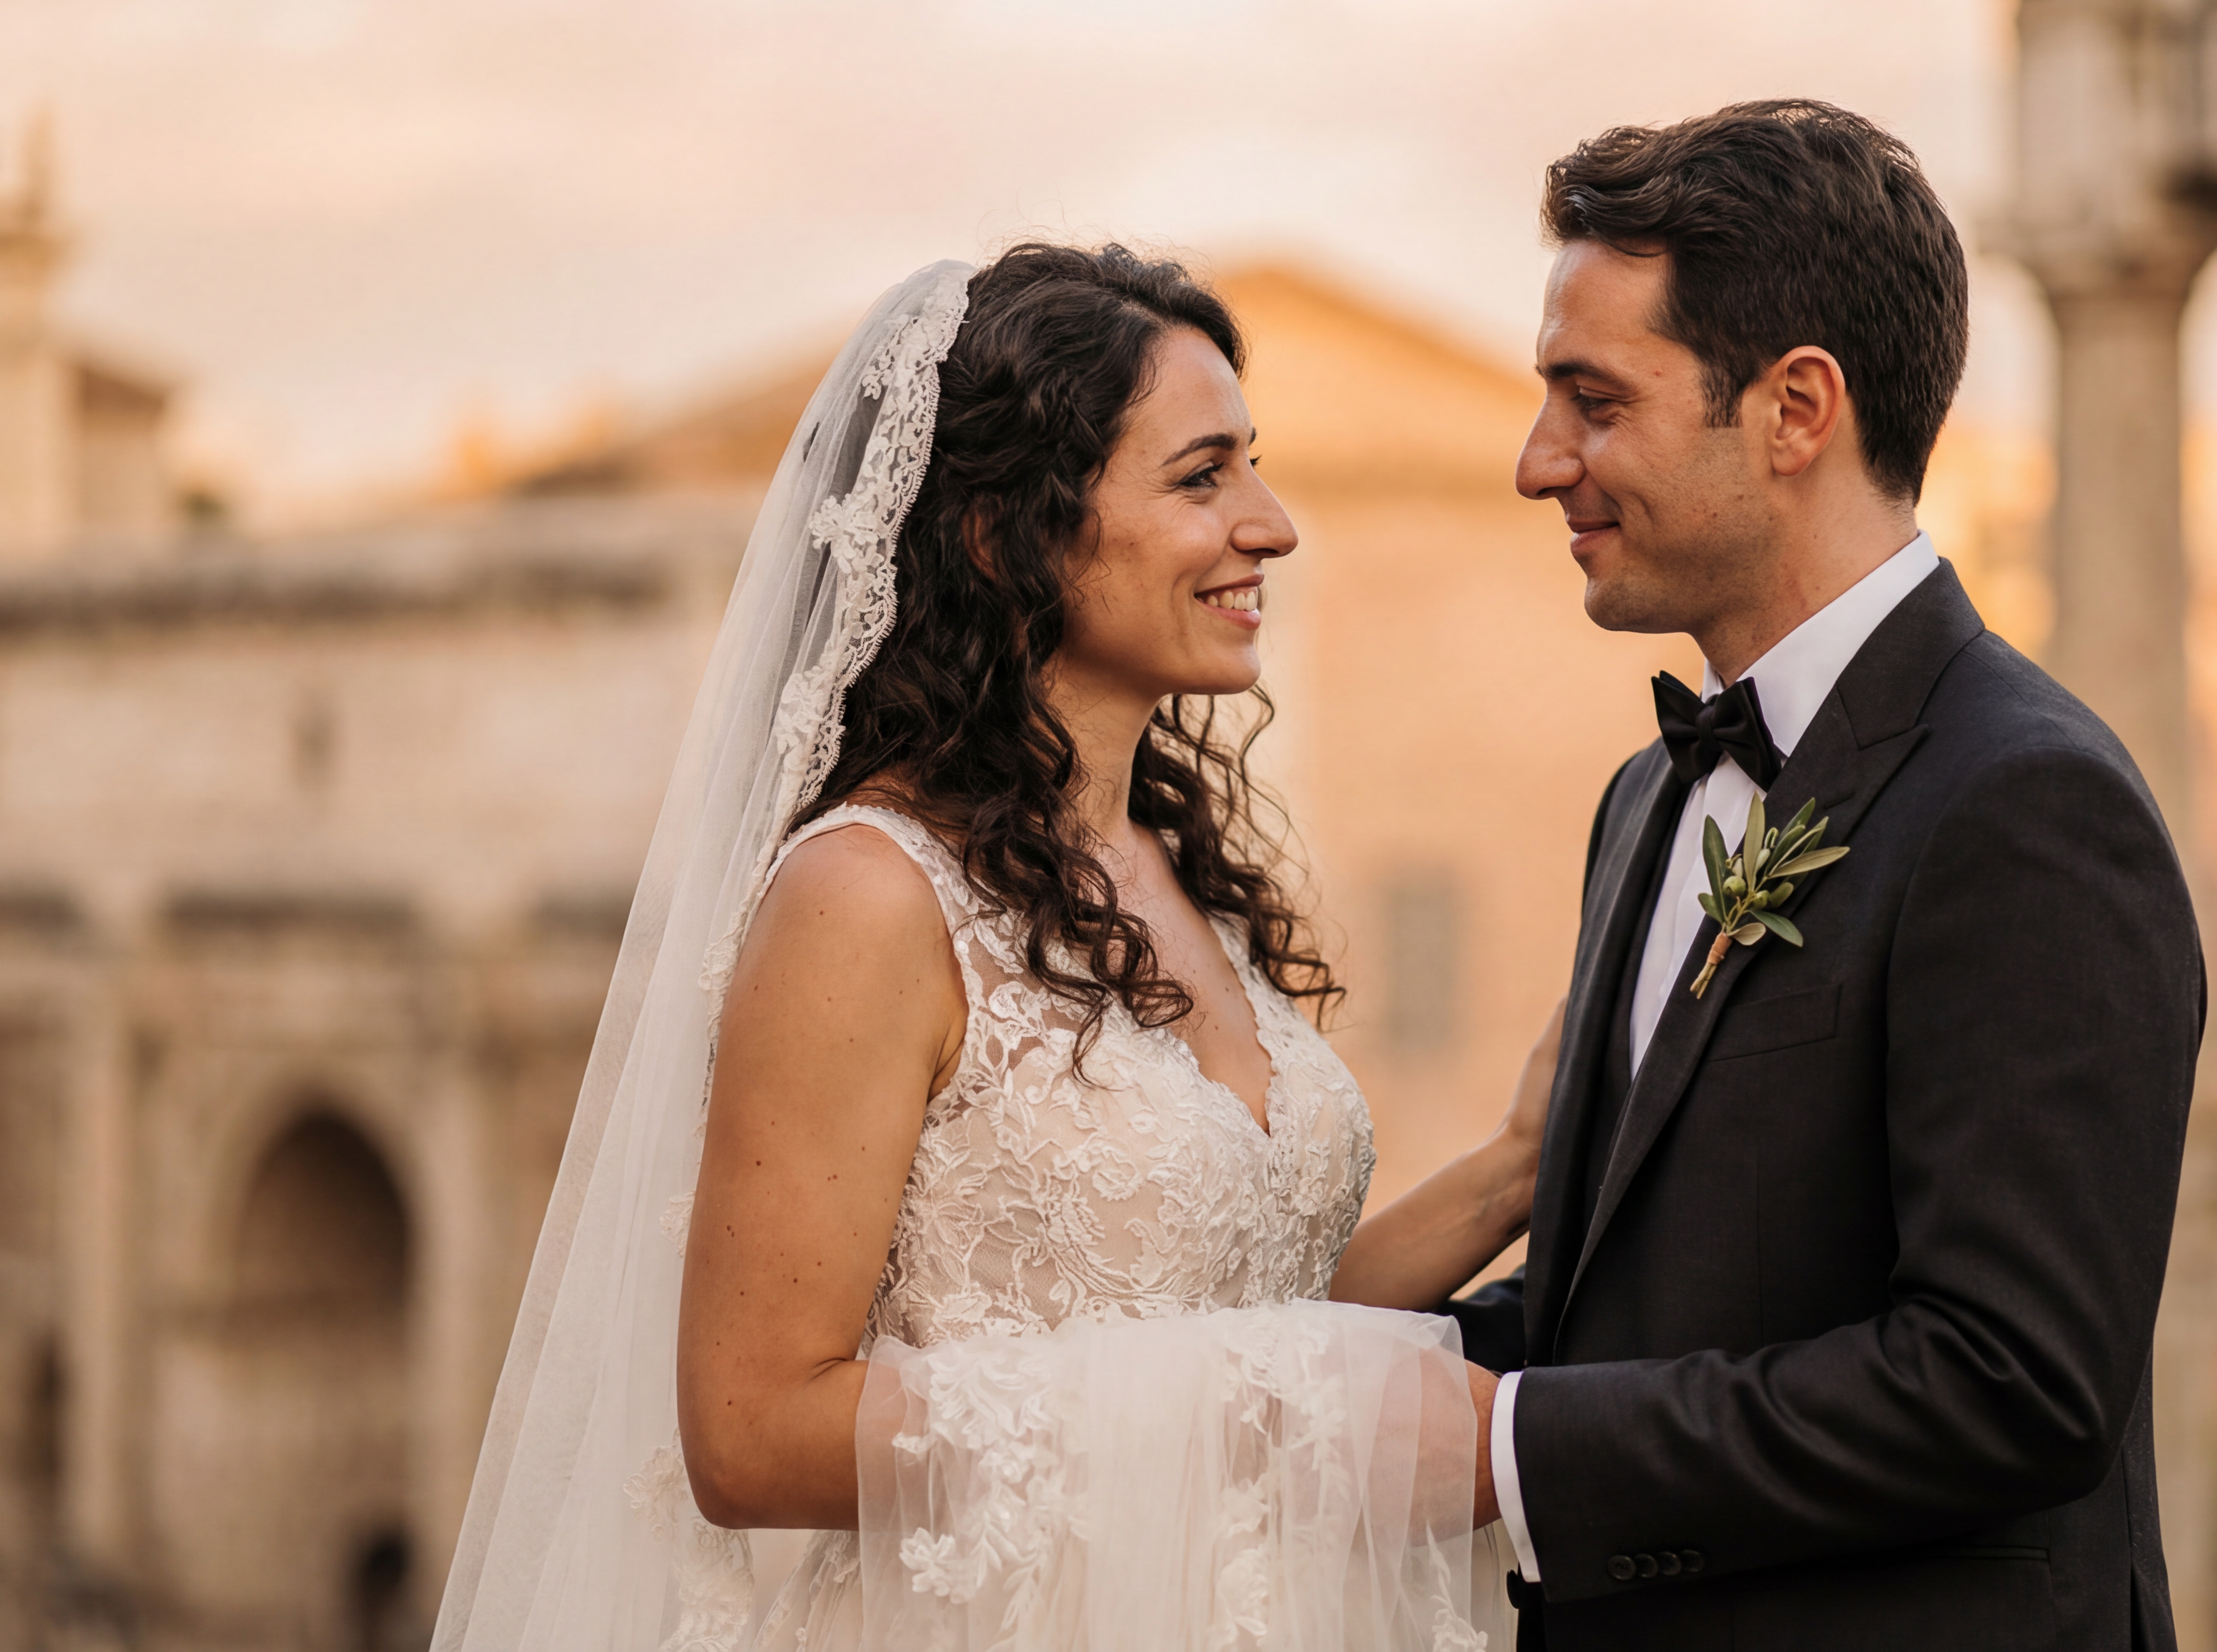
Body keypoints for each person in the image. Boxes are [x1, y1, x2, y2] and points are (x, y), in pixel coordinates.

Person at [430, 242, 1552, 1652]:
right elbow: (749, 1433)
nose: (1271, 526)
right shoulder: (867, 897)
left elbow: (1242, 1321)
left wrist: (1514, 1167)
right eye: (1202, 478)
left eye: (1253, 470)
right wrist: (1249, 1409)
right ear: (1001, 535)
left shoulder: (1177, 875)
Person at [1446, 100, 2204, 1652]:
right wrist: (1340, 1398)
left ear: (1796, 409)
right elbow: (1650, 1304)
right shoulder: (1647, 800)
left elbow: (2011, 1382)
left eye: (1594, 401)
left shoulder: (2029, 804)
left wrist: (1509, 1449)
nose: (1539, 462)